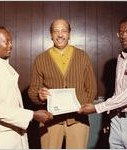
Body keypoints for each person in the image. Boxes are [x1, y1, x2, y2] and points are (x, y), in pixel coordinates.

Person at [78, 16, 127, 149]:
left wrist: (97, 107)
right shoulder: (121, 57)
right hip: (117, 123)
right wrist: (111, 118)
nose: (123, 36)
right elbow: (119, 93)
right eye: (120, 33)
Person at [0, 25, 53, 149]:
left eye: (11, 41)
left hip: (10, 136)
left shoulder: (1, 65)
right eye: (6, 42)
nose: (10, 45)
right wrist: (32, 115)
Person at [28, 18, 97, 149]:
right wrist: (40, 96)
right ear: (51, 35)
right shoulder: (40, 59)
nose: (60, 35)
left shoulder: (83, 56)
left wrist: (81, 107)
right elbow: (32, 91)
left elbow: (92, 88)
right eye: (56, 31)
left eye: (64, 31)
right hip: (50, 120)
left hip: (78, 120)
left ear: (69, 34)